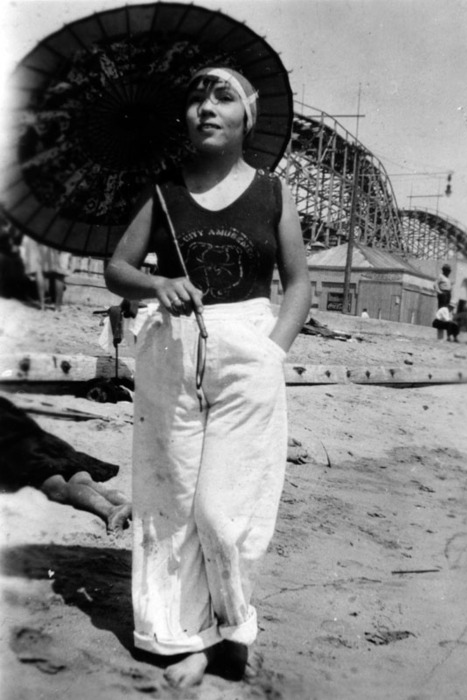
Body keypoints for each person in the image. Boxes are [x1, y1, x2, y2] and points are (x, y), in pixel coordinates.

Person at [104, 66, 311, 688]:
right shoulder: (163, 194)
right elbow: (116, 268)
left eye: (223, 97)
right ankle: (187, 637)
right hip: (172, 350)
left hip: (250, 347)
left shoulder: (273, 193)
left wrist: (272, 351)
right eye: (195, 97)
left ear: (248, 117)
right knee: (171, 502)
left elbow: (298, 283)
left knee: (224, 512)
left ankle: (234, 621)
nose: (206, 107)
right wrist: (158, 282)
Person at [0, 396, 131, 533]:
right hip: (50, 443)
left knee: (58, 489)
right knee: (84, 481)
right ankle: (126, 503)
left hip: (21, 449)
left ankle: (110, 511)